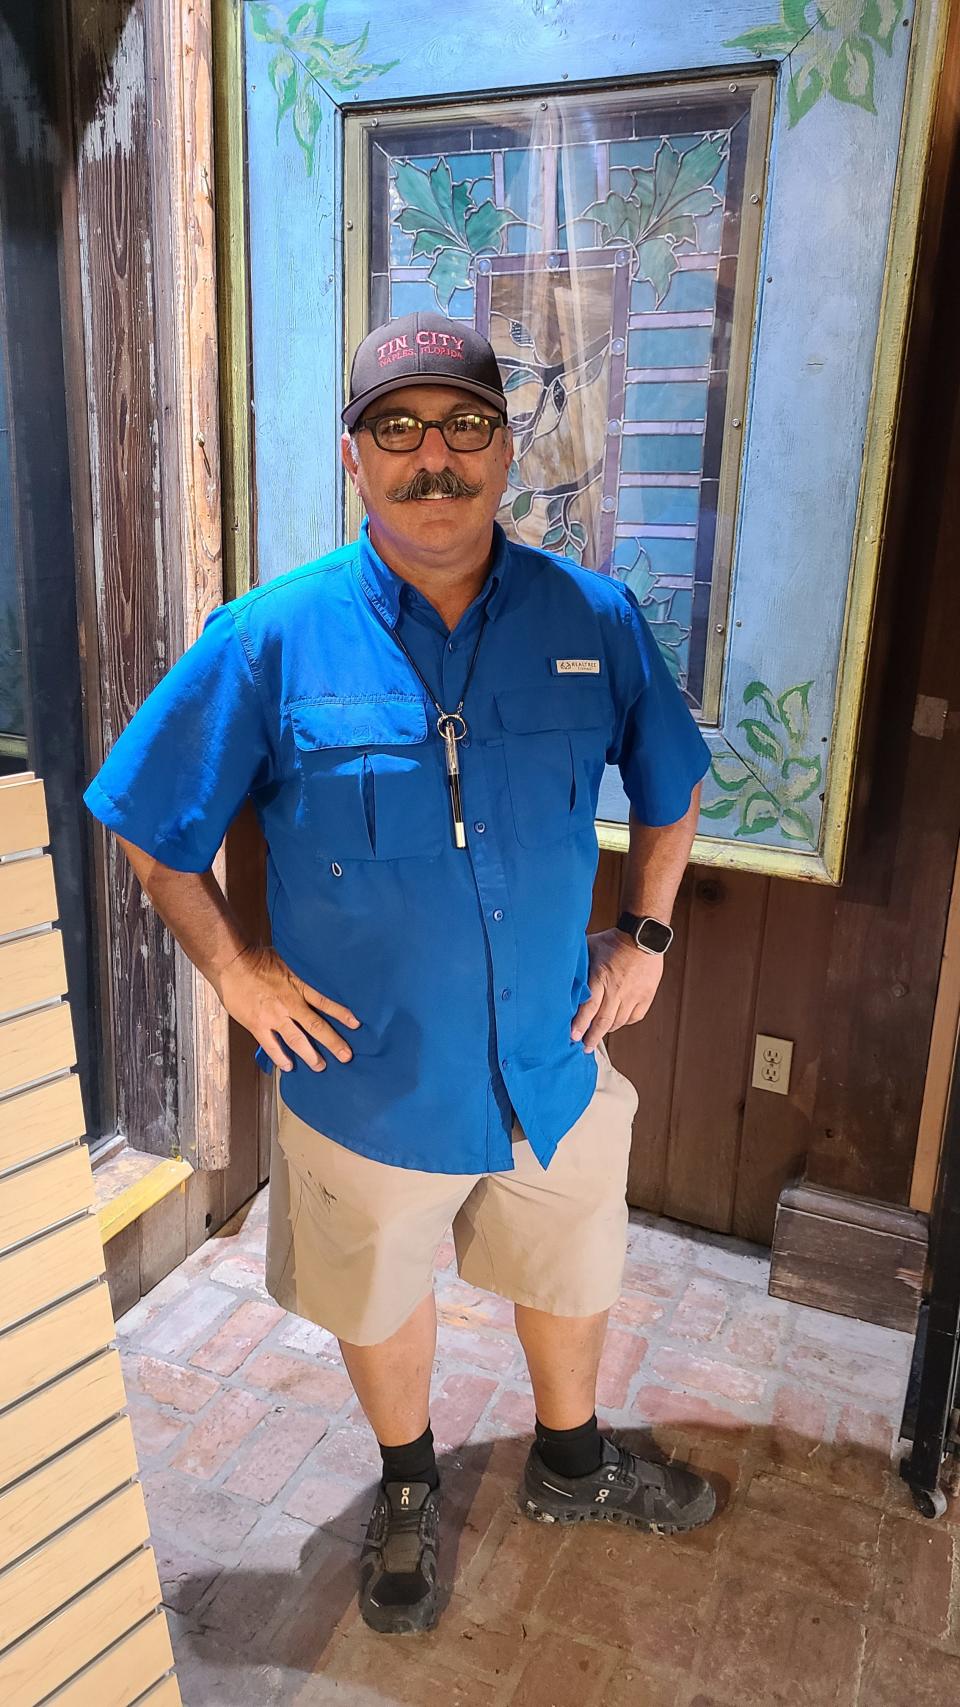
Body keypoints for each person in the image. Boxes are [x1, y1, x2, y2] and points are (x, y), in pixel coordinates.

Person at [84, 310, 716, 1636]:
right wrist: (240, 974)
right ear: (355, 459)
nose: (436, 456)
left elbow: (675, 785)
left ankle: (572, 1463)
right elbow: (150, 827)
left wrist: (647, 940)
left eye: (465, 425)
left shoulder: (592, 618)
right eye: (399, 429)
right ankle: (410, 1484)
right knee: (379, 1295)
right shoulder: (268, 637)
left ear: (506, 447)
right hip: (367, 1080)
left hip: (552, 1055)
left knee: (572, 1269)